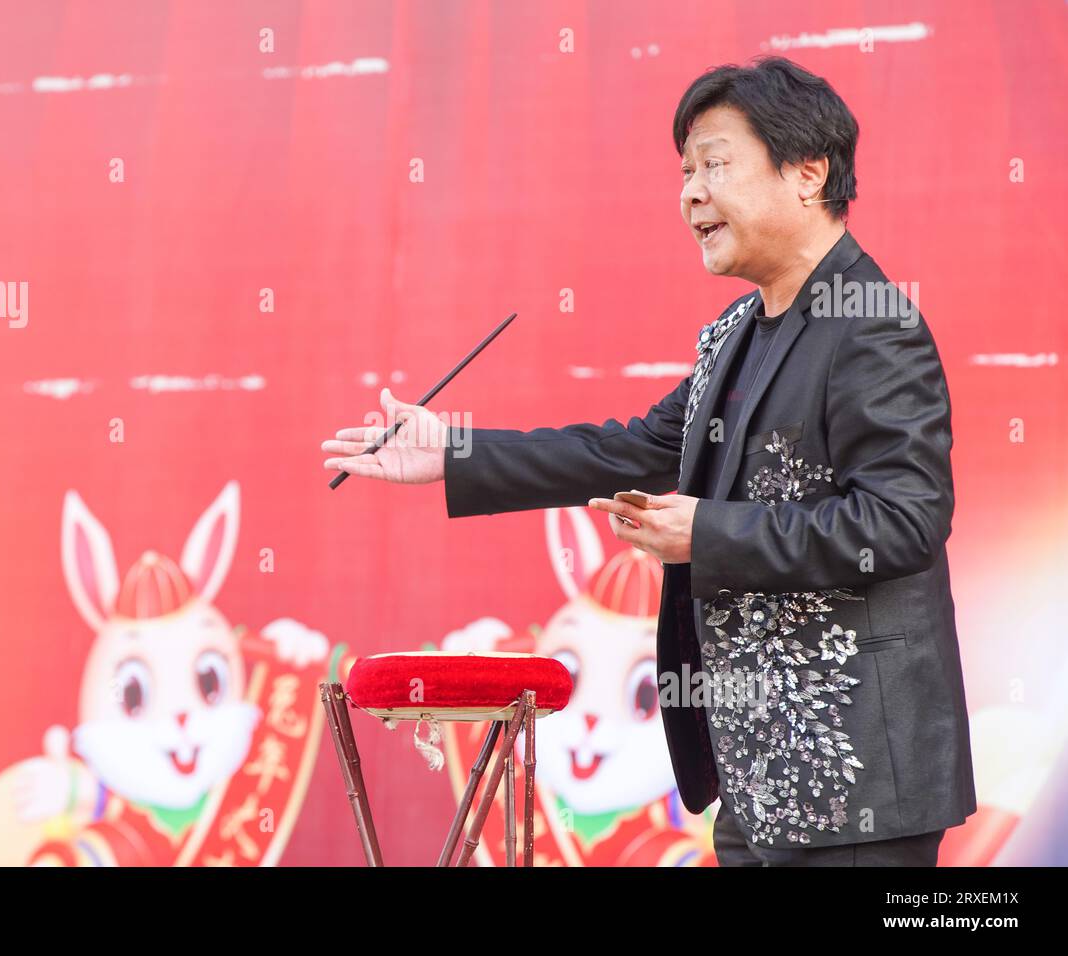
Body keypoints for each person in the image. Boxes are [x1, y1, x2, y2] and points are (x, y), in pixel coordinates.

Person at [321, 56, 975, 867]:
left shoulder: (871, 322)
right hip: (757, 776)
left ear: (808, 174)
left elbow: (903, 522)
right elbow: (633, 448)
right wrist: (453, 453)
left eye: (716, 164)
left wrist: (710, 532)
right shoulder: (737, 330)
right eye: (685, 171)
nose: (692, 192)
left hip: (858, 777)